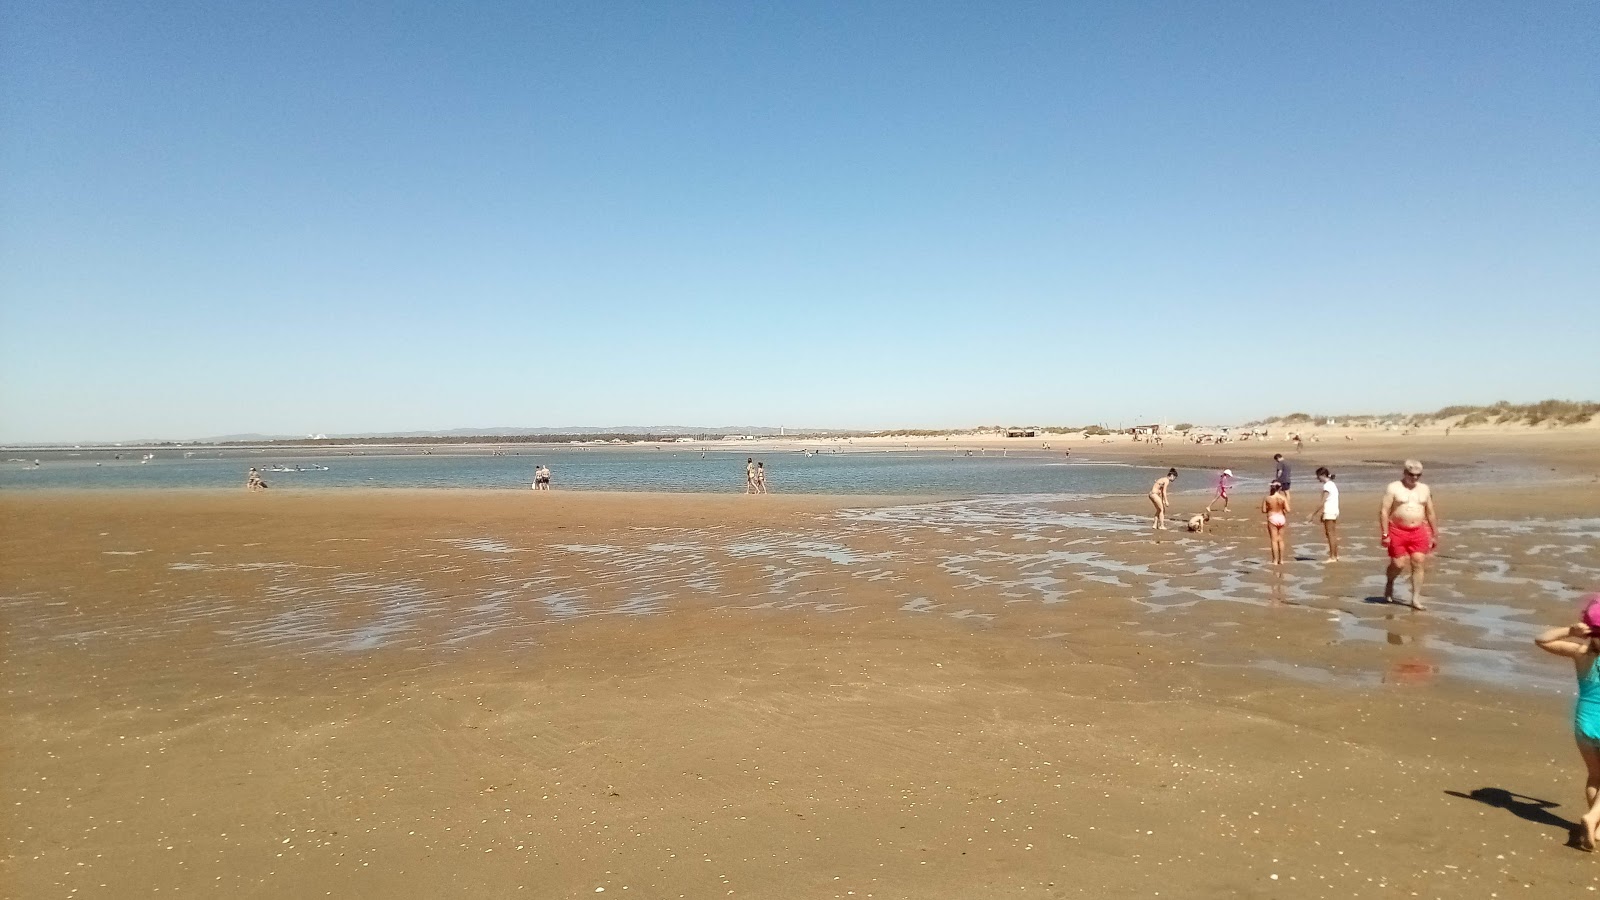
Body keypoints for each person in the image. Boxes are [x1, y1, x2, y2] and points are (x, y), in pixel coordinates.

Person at [1534, 596, 1600, 850]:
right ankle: (1592, 817)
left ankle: (1595, 828)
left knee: (1595, 775)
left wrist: (1569, 631)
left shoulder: (1580, 652)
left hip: (1584, 722)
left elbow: (1542, 640)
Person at [1380, 459, 1437, 609]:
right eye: (1411, 475)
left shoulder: (1424, 489)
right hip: (1397, 531)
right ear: (1405, 473)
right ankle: (1390, 582)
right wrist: (1385, 534)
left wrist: (1434, 533)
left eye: (1418, 475)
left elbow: (1430, 512)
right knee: (1398, 564)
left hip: (1418, 531)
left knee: (1418, 561)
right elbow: (1384, 511)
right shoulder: (1393, 487)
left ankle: (1415, 598)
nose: (1415, 478)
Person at [1309, 467, 1340, 562]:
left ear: (1322, 476)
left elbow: (1322, 501)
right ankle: (1335, 555)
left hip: (1330, 511)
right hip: (1334, 510)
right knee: (1332, 534)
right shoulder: (1332, 484)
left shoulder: (1327, 486)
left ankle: (1332, 557)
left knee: (1330, 534)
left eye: (1318, 477)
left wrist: (1312, 514)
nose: (1318, 479)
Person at [1262, 481, 1290, 565]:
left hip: (1272, 517)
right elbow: (1288, 510)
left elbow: (1263, 510)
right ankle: (1281, 560)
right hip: (1281, 517)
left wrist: (1269, 509)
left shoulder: (1267, 498)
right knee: (1280, 540)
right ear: (1280, 488)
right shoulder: (1283, 498)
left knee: (1274, 540)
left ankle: (1275, 560)